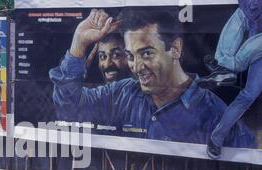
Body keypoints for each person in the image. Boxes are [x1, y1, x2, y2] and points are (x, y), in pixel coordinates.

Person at [49, 8, 256, 149]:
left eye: (147, 53)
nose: (137, 67)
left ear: (175, 49)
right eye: (130, 56)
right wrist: (78, 45)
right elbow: (69, 109)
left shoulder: (217, 116)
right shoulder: (121, 93)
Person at [198, 0, 262, 159]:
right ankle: (224, 68)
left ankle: (226, 70)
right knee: (240, 15)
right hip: (250, 15)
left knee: (249, 94)